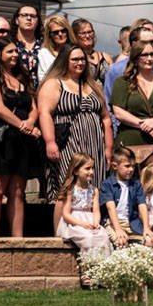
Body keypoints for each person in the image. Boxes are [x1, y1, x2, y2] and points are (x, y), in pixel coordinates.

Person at [0, 39, 44, 237]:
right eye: (9, 51)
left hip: (21, 141)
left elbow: (33, 107)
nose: (15, 55)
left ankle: (17, 238)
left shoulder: (22, 78)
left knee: (18, 191)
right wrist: (24, 126)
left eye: (16, 51)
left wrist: (30, 122)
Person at [40, 45, 111, 202]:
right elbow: (45, 114)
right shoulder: (54, 83)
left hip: (95, 145)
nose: (80, 62)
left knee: (94, 184)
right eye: (75, 59)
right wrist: (50, 142)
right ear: (65, 61)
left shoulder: (93, 85)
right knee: (68, 185)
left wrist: (108, 148)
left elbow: (106, 117)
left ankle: (92, 221)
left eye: (82, 59)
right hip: (68, 143)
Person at [108, 38, 153, 174]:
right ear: (136, 58)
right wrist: (145, 125)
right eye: (145, 55)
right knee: (128, 188)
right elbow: (118, 112)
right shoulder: (122, 82)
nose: (149, 58)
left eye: (152, 54)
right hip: (130, 139)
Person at [53, 151, 109, 271]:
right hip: (74, 222)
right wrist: (82, 224)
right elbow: (66, 214)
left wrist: (96, 222)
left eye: (92, 168)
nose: (92, 172)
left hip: (90, 220)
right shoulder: (71, 190)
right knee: (88, 238)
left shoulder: (94, 190)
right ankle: (87, 270)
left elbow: (96, 211)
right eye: (87, 168)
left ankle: (102, 271)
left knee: (103, 236)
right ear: (76, 171)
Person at [100, 146, 144, 249]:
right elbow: (110, 207)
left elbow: (142, 206)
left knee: (150, 241)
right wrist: (118, 228)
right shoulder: (107, 184)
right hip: (113, 222)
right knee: (121, 242)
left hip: (132, 222)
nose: (131, 169)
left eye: (133, 166)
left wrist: (146, 228)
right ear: (115, 166)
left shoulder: (136, 184)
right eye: (127, 166)